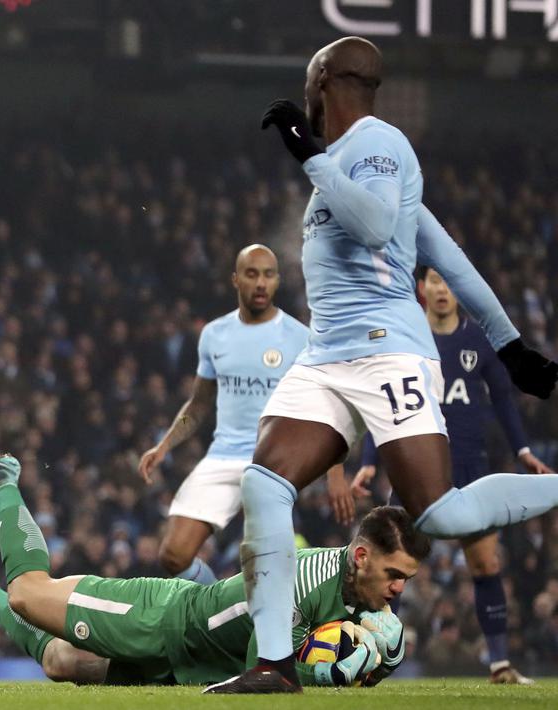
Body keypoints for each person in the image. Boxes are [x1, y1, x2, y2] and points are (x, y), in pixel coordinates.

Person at [215, 35, 558, 693]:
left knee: (439, 517)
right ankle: (271, 665)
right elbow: (447, 255)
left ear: (321, 79)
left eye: (308, 79)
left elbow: (373, 227)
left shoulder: (377, 144)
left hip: (386, 352)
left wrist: (310, 157)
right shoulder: (352, 160)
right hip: (325, 359)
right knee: (263, 483)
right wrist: (510, 343)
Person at [0, 455, 421, 687]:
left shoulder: (364, 596)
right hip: (160, 618)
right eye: (394, 574)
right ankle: (2, 480)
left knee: (60, 664)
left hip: (193, 662)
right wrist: (327, 674)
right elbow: (269, 672)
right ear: (361, 557)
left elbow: (345, 663)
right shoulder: (299, 580)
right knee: (28, 592)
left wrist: (380, 663)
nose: (398, 590)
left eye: (407, 580)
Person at [353, 266, 553, 684]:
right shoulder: (408, 337)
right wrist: (370, 459)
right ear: (422, 288)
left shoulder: (477, 340)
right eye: (434, 282)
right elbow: (383, 401)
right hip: (416, 469)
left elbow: (502, 399)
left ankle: (499, 665)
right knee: (388, 561)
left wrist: (524, 451)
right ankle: (360, 650)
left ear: (458, 292)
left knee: (485, 564)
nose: (442, 290)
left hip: (471, 468)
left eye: (448, 283)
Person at [138, 244, 345, 586]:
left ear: (277, 281)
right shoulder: (215, 335)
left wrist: (335, 472)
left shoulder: (298, 338)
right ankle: (211, 609)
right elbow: (199, 403)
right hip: (224, 456)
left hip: (273, 460)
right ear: (236, 279)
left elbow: (325, 405)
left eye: (268, 275)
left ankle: (285, 615)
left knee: (268, 567)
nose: (261, 283)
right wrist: (164, 446)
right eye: (252, 274)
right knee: (172, 556)